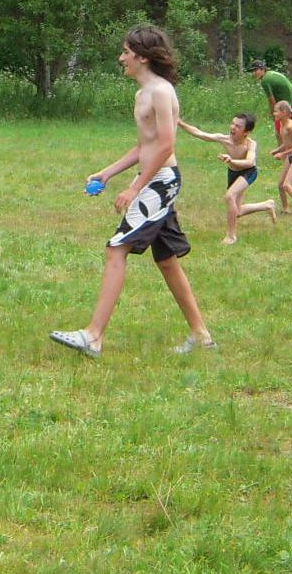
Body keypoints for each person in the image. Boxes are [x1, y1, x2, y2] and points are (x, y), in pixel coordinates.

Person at [51, 25, 215, 358]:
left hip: (161, 181)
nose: (121, 58)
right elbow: (144, 146)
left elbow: (166, 145)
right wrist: (108, 172)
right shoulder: (142, 94)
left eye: (126, 52)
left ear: (142, 57)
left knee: (116, 249)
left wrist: (134, 187)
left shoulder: (162, 92)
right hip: (154, 178)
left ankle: (93, 336)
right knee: (166, 260)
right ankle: (201, 335)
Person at [179, 112, 277, 246]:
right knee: (237, 212)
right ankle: (267, 205)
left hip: (248, 172)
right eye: (232, 124)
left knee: (229, 196)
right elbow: (199, 133)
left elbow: (250, 162)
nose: (233, 128)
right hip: (233, 173)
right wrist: (179, 122)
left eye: (238, 126)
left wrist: (232, 160)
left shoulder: (251, 144)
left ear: (246, 132)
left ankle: (231, 236)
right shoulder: (224, 139)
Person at [251, 60, 292, 132]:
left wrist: (273, 114)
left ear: (262, 69)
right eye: (252, 71)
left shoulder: (265, 81)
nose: (254, 73)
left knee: (290, 131)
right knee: (282, 130)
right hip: (289, 103)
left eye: (256, 70)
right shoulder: (270, 74)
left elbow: (271, 100)